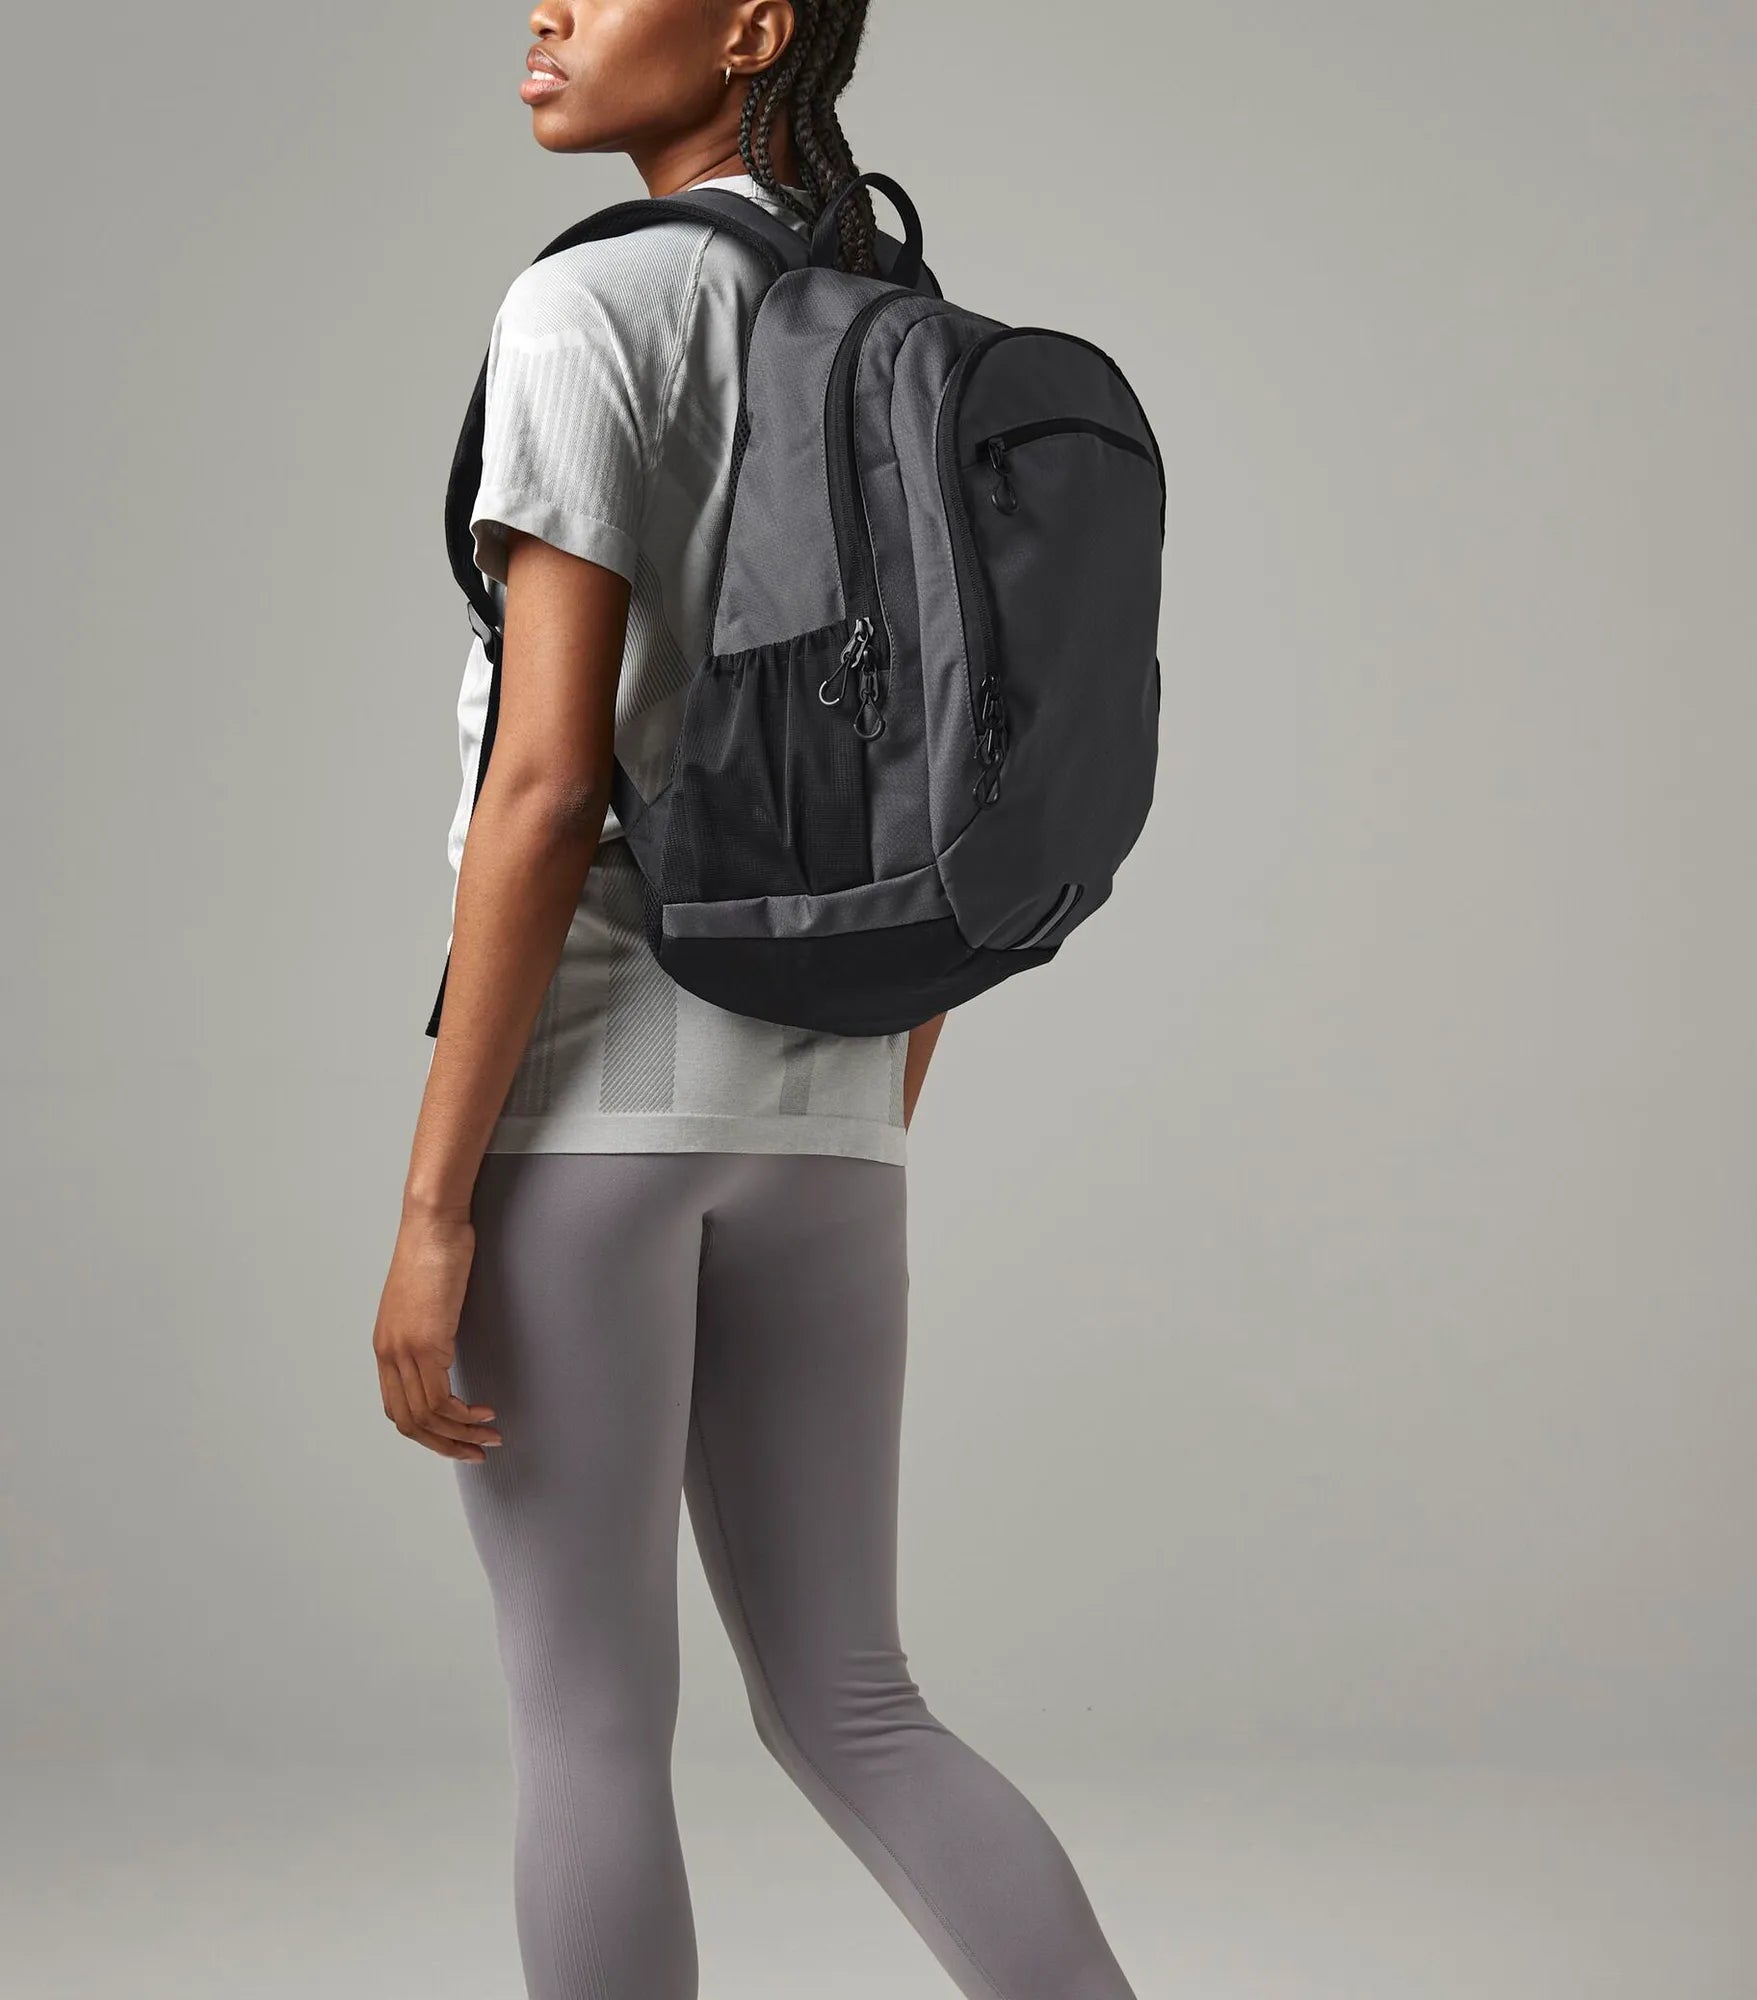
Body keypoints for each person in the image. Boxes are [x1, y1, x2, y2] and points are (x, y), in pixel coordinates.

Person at [371, 5, 1140, 1996]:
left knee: (589, 1724)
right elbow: (959, 784)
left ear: (753, 27)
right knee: (857, 1703)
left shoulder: (591, 309)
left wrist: (436, 1207)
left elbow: (543, 790)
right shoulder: (896, 318)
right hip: (832, 1115)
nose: (545, 11)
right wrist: (864, 1080)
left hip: (592, 1110)